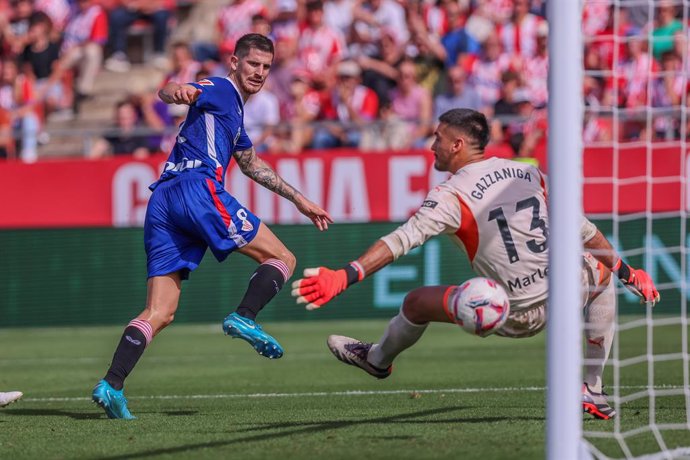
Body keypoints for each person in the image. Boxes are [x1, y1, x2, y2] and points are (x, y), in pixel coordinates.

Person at [291, 108, 660, 421]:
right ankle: (592, 389)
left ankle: (376, 360)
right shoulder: (527, 171)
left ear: (457, 145)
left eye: (437, 138)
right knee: (600, 270)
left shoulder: (451, 195)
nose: (431, 145)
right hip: (565, 292)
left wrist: (347, 274)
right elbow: (584, 230)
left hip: (514, 313)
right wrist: (629, 273)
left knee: (415, 303)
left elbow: (400, 240)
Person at [92, 33, 333, 420]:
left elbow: (252, 164)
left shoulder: (233, 114)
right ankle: (244, 316)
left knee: (161, 311)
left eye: (266, 67)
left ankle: (111, 384)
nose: (259, 72)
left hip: (162, 200)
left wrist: (299, 199)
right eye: (253, 63)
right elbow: (171, 91)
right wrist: (180, 91)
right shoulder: (220, 88)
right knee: (282, 257)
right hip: (195, 189)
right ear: (235, 62)